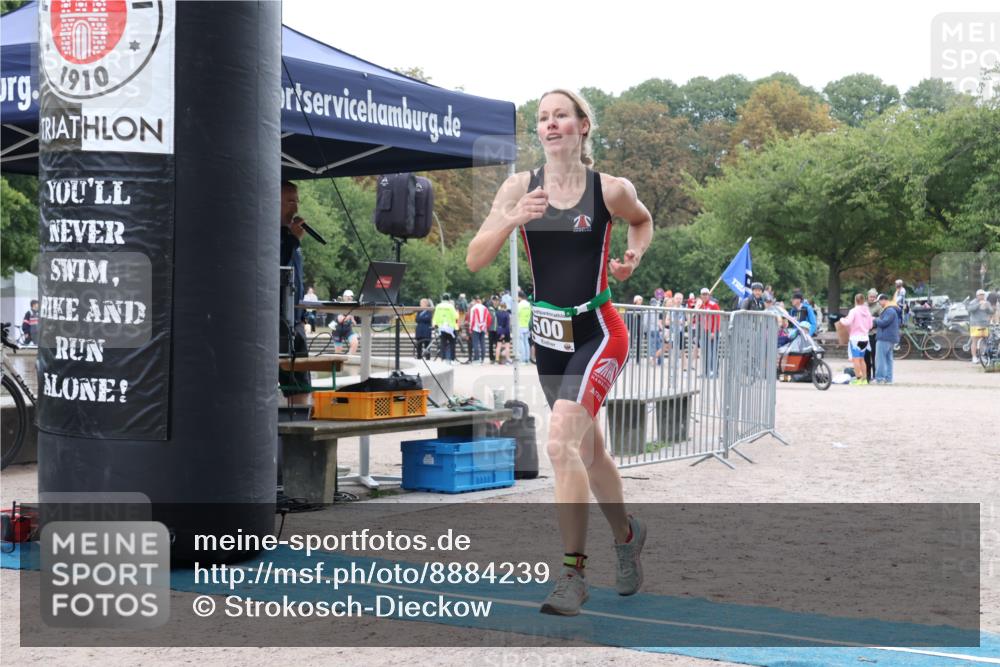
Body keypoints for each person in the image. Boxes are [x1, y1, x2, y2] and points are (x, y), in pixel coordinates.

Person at [466, 88, 653, 616]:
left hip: (599, 331)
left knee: (558, 445)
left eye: (561, 116)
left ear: (582, 126)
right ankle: (627, 534)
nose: (550, 125)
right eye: (543, 118)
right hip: (549, 341)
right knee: (588, 454)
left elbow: (641, 220)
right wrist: (512, 218)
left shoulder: (611, 190)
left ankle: (573, 575)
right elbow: (475, 259)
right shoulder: (519, 187)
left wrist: (632, 256)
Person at [278, 181, 311, 405]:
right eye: (290, 201)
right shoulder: (271, 235)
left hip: (295, 320)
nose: (295, 208)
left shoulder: (291, 238)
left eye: (296, 201)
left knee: (300, 383)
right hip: (275, 321)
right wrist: (291, 240)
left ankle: (301, 433)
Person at [839, 293, 874, 385]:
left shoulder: (853, 311)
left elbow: (848, 322)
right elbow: (870, 325)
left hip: (855, 338)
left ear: (856, 300)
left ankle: (858, 379)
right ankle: (865, 379)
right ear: (864, 300)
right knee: (862, 359)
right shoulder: (868, 312)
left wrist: (842, 319)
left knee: (856, 359)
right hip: (865, 338)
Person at [873, 293, 902, 384]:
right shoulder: (892, 309)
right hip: (890, 338)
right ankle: (888, 379)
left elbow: (884, 323)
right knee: (888, 359)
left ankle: (880, 378)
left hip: (884, 338)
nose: (879, 304)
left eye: (879, 302)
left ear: (884, 300)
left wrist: (875, 319)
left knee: (880, 359)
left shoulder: (889, 310)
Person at [694, 287, 721, 378]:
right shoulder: (701, 305)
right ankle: (706, 371)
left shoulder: (713, 305)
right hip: (704, 331)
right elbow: (695, 316)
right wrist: (696, 307)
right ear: (701, 296)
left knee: (713, 351)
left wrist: (713, 331)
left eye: (706, 294)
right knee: (705, 352)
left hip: (712, 331)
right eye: (703, 294)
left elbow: (717, 318)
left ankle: (714, 371)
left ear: (709, 295)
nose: (705, 296)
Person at [968, 289, 996, 363]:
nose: (982, 296)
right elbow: (970, 310)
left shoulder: (987, 302)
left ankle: (982, 356)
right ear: (977, 296)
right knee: (974, 341)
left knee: (984, 341)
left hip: (985, 324)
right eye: (980, 295)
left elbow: (991, 312)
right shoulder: (973, 302)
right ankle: (974, 357)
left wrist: (987, 306)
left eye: (983, 295)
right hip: (975, 324)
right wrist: (979, 304)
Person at [433, 293, 458, 363]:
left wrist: (435, 324)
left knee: (443, 343)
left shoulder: (438, 306)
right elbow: (455, 316)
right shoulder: (450, 306)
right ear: (449, 299)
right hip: (450, 328)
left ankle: (443, 359)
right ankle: (452, 360)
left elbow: (435, 316)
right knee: (452, 344)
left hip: (441, 328)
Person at [865, 288, 882, 382]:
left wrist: (874, 321)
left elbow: (882, 318)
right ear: (867, 296)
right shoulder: (863, 306)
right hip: (864, 334)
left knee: (874, 356)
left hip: (873, 334)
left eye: (874, 297)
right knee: (865, 356)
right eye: (871, 297)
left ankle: (876, 376)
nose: (872, 298)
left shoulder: (878, 307)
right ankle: (867, 376)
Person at [467, 296, 490, 364]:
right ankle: (482, 358)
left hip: (475, 328)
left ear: (475, 301)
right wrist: (486, 327)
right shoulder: (485, 308)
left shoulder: (473, 308)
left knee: (475, 343)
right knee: (482, 343)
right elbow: (488, 318)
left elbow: (472, 319)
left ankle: (477, 359)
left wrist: (470, 328)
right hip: (483, 327)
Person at [517, 290, 532, 364]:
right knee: (526, 342)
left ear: (519, 297)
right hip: (527, 325)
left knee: (521, 343)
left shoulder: (519, 305)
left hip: (520, 325)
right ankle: (527, 359)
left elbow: (516, 315)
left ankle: (523, 359)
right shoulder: (529, 304)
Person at [486, 295, 500, 363]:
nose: (495, 301)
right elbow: (488, 318)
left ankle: (497, 357)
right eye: (494, 300)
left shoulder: (499, 308)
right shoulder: (490, 308)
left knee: (498, 344)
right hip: (491, 329)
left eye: (496, 300)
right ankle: (491, 358)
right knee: (491, 344)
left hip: (497, 329)